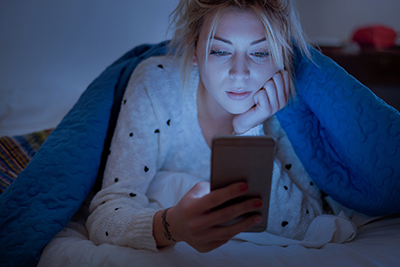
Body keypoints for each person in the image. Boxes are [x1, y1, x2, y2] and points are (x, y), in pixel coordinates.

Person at [86, 0, 323, 253]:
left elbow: (308, 223)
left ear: (281, 58)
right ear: (194, 51)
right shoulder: (157, 86)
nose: (239, 73)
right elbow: (105, 216)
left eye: (261, 52)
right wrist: (171, 226)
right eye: (220, 51)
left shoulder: (286, 107)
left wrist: (249, 131)